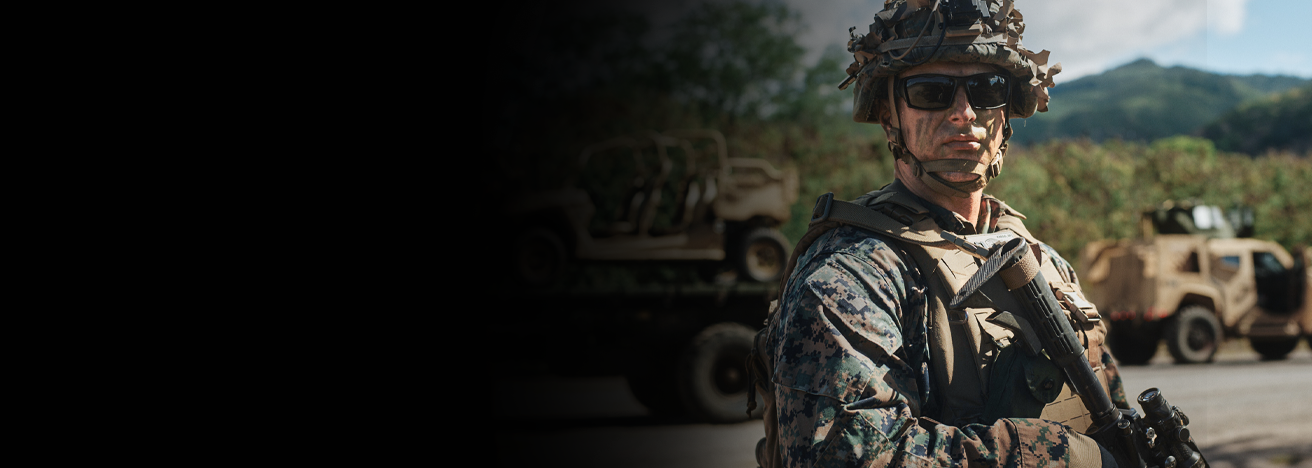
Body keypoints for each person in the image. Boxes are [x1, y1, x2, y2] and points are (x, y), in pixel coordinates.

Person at [750, 1, 1130, 466]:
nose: (964, 113)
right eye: (932, 92)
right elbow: (846, 455)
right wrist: (1052, 456)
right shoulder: (851, 276)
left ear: (1006, 114)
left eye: (987, 89)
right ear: (890, 116)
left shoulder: (1043, 263)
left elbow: (1109, 410)